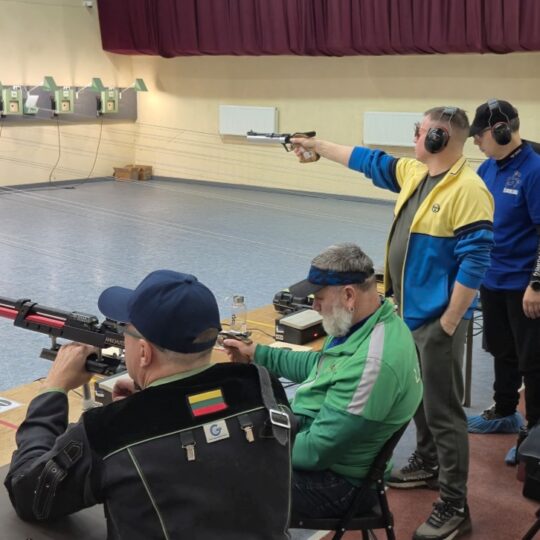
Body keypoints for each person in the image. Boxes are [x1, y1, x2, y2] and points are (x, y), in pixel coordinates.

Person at [290, 109, 494, 540]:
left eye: (419, 130)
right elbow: (369, 161)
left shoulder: (468, 189)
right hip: (412, 315)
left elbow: (476, 261)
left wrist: (448, 322)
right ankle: (428, 463)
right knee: (419, 399)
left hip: (436, 321)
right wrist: (317, 145)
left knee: (444, 413)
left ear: (438, 137)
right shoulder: (418, 174)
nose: (414, 136)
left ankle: (455, 507)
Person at [4, 270, 293, 540]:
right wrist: (148, 400)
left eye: (124, 330)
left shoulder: (108, 430)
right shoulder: (261, 385)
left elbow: (29, 494)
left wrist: (52, 391)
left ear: (144, 352)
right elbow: (205, 420)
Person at [224, 243, 423, 521]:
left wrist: (258, 447)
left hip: (338, 483)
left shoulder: (372, 365)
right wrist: (257, 353)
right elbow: (320, 366)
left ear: (349, 295)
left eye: (318, 298)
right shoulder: (370, 323)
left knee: (221, 482)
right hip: (322, 446)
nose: (314, 307)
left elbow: (315, 453)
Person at [467, 100, 540, 461]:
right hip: (492, 278)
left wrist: (537, 283)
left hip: (524, 286)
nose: (475, 142)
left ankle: (533, 433)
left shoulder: (535, 170)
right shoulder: (486, 168)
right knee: (501, 350)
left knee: (532, 362)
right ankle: (505, 410)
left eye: (479, 135)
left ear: (500, 131)